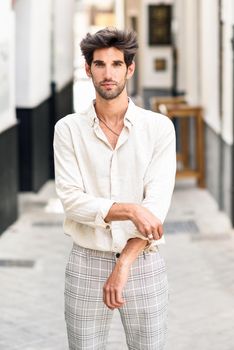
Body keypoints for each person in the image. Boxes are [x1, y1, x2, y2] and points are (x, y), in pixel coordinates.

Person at [53, 27, 176, 350]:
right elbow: (72, 201)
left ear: (130, 68)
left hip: (143, 260)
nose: (108, 74)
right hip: (86, 260)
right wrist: (131, 209)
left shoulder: (159, 128)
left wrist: (124, 263)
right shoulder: (67, 130)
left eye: (117, 64)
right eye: (100, 64)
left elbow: (157, 206)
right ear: (88, 69)